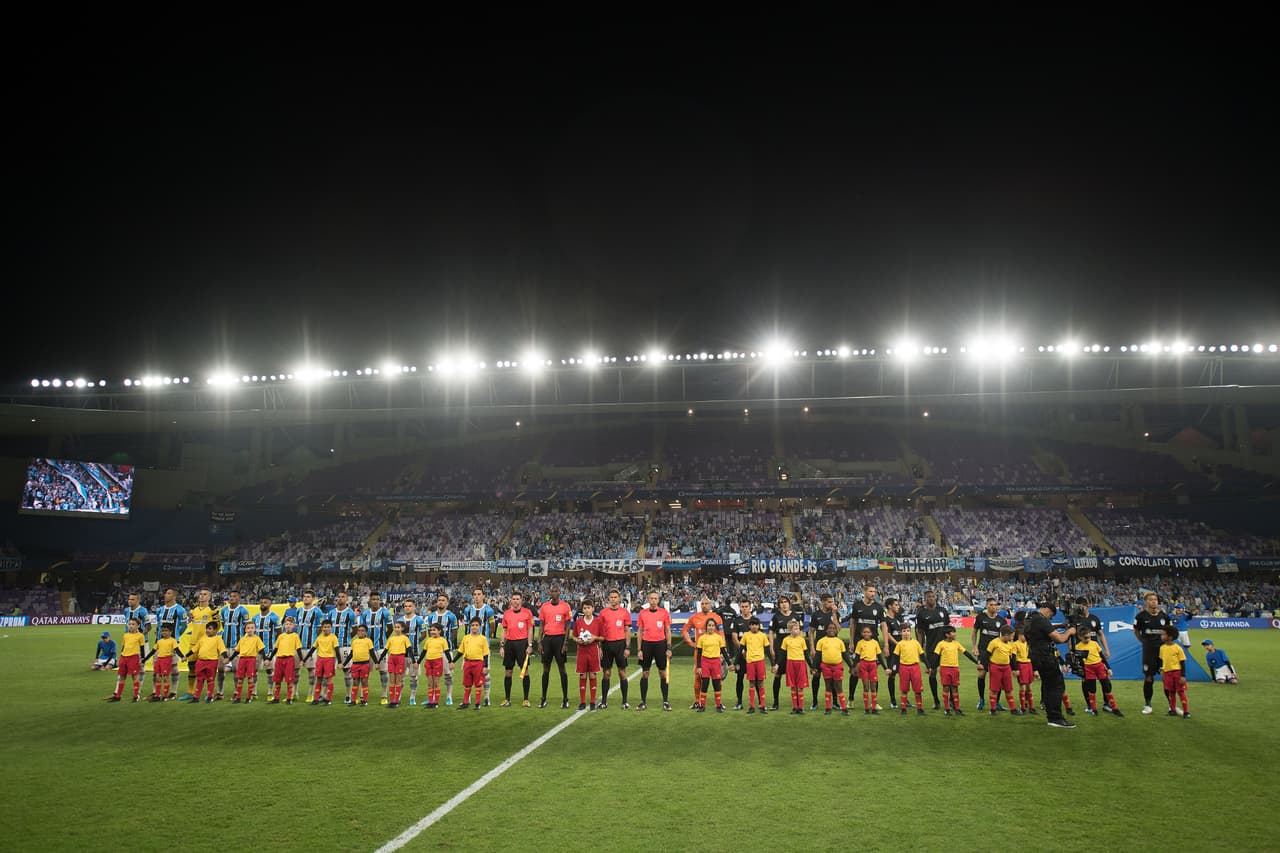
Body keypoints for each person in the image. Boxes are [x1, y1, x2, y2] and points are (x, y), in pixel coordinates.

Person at [1025, 599, 1077, 728]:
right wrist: (1070, 631)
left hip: (1036, 655)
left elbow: (1042, 630)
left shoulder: (1030, 618)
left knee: (1048, 686)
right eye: (1051, 616)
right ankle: (1055, 717)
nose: (1050, 619)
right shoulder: (1041, 619)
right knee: (1056, 686)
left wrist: (1058, 627)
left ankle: (1051, 716)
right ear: (1048, 610)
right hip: (1045, 656)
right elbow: (1060, 639)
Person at [1133, 592, 1174, 715]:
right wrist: (1144, 641)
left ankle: (1171, 705)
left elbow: (1171, 631)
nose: (1154, 602)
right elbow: (1135, 630)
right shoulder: (1140, 617)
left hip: (1163, 652)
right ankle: (1147, 704)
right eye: (1151, 600)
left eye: (1155, 599)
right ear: (1146, 602)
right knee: (1149, 678)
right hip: (1149, 652)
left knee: (1166, 678)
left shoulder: (1165, 617)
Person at [536, 586, 573, 709]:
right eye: (552, 591)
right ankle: (543, 698)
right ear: (550, 593)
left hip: (560, 639)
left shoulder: (565, 606)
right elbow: (541, 625)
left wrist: (566, 643)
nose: (554, 593)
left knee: (562, 669)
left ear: (560, 593)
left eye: (556, 591)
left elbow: (568, 626)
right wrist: (539, 642)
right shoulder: (544, 607)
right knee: (545, 669)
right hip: (547, 639)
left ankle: (565, 698)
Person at [681, 597, 721, 710]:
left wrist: (723, 650)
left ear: (710, 605)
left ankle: (718, 703)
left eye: (706, 603)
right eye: (702, 603)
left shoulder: (717, 618)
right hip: (699, 652)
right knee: (698, 676)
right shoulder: (694, 617)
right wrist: (691, 643)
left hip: (714, 652)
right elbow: (684, 630)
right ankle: (697, 701)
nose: (704, 605)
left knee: (717, 678)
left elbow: (721, 635)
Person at [636, 590, 673, 711]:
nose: (653, 601)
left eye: (655, 599)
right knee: (645, 673)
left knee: (662, 673)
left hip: (660, 645)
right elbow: (640, 632)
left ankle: (666, 701)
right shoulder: (642, 613)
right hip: (646, 645)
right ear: (648, 599)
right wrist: (639, 649)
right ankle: (643, 702)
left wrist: (668, 647)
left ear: (658, 600)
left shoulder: (664, 613)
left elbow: (667, 631)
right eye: (651, 598)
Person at [849, 586, 885, 709]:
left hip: (872, 645)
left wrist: (885, 644)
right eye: (870, 591)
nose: (873, 593)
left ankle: (874, 701)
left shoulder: (878, 607)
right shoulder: (857, 606)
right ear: (864, 592)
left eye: (874, 591)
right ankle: (851, 699)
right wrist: (852, 642)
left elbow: (883, 625)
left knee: (873, 673)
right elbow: (853, 623)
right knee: (855, 671)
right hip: (859, 642)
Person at [915, 589, 951, 711]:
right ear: (925, 599)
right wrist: (920, 647)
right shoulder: (921, 614)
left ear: (936, 597)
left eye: (932, 596)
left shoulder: (943, 611)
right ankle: (936, 700)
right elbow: (920, 632)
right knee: (932, 672)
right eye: (928, 597)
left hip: (946, 648)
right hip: (931, 648)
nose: (931, 598)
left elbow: (948, 628)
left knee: (947, 672)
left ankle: (950, 700)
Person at [596, 588, 632, 710]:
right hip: (606, 644)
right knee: (606, 673)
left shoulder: (624, 613)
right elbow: (599, 630)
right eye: (611, 597)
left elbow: (627, 631)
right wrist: (600, 646)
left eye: (615, 597)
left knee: (622, 672)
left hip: (620, 644)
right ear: (608, 599)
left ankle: (625, 701)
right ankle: (604, 702)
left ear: (619, 598)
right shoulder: (603, 613)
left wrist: (627, 647)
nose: (613, 599)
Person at [1075, 626, 1122, 716]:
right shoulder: (1078, 647)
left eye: (1089, 637)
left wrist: (1108, 668)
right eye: (1085, 638)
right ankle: (1094, 709)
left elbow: (1102, 656)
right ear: (1080, 637)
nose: (1088, 639)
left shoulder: (1094, 643)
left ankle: (1115, 708)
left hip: (1100, 667)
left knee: (1107, 687)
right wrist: (1083, 675)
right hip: (1088, 669)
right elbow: (1080, 662)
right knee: (1092, 690)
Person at [462, 588, 497, 707]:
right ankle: (469, 699)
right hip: (469, 646)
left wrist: (486, 638)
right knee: (468, 673)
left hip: (483, 646)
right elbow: (467, 627)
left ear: (483, 596)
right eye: (475, 594)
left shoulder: (488, 610)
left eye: (479, 594)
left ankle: (486, 697)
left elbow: (492, 626)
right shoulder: (468, 610)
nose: (477, 597)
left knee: (485, 672)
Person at [933, 626, 979, 717]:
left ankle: (957, 709)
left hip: (955, 669)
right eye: (953, 632)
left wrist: (976, 662)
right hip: (945, 668)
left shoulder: (956, 643)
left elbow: (966, 653)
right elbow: (935, 656)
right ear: (947, 635)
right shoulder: (941, 644)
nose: (955, 634)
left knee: (955, 688)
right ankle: (947, 709)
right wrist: (932, 667)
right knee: (946, 688)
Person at [499, 591, 534, 707]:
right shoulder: (507, 614)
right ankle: (507, 699)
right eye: (513, 599)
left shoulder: (527, 613)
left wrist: (530, 645)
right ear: (511, 601)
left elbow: (530, 630)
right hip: (509, 644)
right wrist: (502, 645)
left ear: (521, 600)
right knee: (508, 672)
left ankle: (526, 699)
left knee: (524, 671)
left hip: (522, 644)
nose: (515, 601)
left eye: (517, 599)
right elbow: (504, 630)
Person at [971, 598, 1007, 711]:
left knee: (998, 677)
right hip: (983, 651)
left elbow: (1005, 638)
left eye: (995, 605)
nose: (993, 607)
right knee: (982, 673)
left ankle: (996, 702)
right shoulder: (981, 617)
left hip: (997, 652)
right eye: (990, 605)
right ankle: (981, 699)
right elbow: (974, 632)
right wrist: (974, 646)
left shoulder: (1001, 621)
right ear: (986, 606)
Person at [182, 587, 218, 701]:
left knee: (207, 670)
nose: (202, 596)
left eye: (205, 594)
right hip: (193, 642)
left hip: (206, 644)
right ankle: (190, 691)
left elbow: (218, 625)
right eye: (201, 594)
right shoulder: (193, 610)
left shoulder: (213, 610)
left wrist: (211, 638)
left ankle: (209, 693)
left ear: (210, 597)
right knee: (192, 667)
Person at [424, 593, 460, 706]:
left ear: (447, 603)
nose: (441, 602)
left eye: (443, 600)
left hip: (446, 649)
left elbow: (455, 631)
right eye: (439, 600)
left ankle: (449, 696)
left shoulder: (452, 616)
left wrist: (449, 644)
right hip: (433, 651)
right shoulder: (431, 616)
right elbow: (430, 632)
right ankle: (432, 697)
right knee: (432, 676)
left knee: (448, 674)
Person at [360, 592, 394, 704]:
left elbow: (390, 628)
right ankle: (362, 695)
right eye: (373, 599)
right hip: (367, 649)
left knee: (383, 672)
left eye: (377, 599)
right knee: (365, 673)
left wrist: (384, 638)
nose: (375, 601)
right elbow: (362, 630)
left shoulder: (385, 612)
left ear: (380, 600)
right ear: (370, 600)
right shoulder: (365, 614)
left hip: (381, 648)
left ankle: (384, 695)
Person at [808, 593, 840, 710]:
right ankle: (815, 701)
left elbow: (838, 629)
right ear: (823, 602)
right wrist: (812, 647)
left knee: (833, 678)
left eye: (832, 601)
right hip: (818, 650)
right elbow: (811, 632)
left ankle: (835, 702)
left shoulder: (835, 614)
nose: (832, 604)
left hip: (832, 650)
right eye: (830, 602)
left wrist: (835, 614)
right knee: (816, 675)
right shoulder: (816, 615)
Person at [154, 588, 188, 700]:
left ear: (174, 596)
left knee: (173, 668)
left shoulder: (180, 610)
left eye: (168, 593)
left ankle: (173, 691)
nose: (165, 595)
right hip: (159, 643)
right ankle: (156, 692)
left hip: (172, 643)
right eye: (165, 593)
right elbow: (158, 625)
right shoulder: (160, 610)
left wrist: (176, 636)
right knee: (157, 669)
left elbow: (183, 626)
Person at [571, 599, 605, 710]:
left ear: (593, 609)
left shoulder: (598, 621)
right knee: (582, 675)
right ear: (582, 609)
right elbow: (574, 636)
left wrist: (594, 638)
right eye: (584, 608)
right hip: (582, 651)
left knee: (592, 675)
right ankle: (582, 702)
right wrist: (577, 640)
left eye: (588, 608)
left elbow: (603, 637)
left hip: (593, 650)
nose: (586, 610)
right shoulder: (579, 622)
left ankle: (592, 701)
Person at [216, 589, 249, 701]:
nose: (232, 598)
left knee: (236, 670)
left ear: (239, 598)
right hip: (224, 645)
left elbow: (246, 628)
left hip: (237, 646)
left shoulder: (243, 611)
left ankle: (236, 692)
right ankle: (220, 692)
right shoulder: (224, 610)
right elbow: (223, 625)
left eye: (234, 596)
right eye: (230, 596)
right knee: (220, 670)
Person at [769, 594, 799, 710]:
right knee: (778, 675)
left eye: (785, 602)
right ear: (779, 605)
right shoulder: (776, 617)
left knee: (795, 677)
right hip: (780, 650)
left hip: (793, 650)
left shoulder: (795, 616)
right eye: (781, 602)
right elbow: (771, 632)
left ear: (789, 603)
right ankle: (775, 703)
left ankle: (796, 703)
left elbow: (799, 632)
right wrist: (771, 646)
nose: (784, 604)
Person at [295, 590, 326, 703]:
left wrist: (313, 641)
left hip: (310, 646)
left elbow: (319, 629)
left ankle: (311, 693)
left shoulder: (317, 612)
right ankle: (295, 692)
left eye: (308, 597)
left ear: (313, 599)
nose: (305, 598)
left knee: (311, 671)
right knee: (295, 670)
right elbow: (297, 626)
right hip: (298, 646)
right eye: (304, 596)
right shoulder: (299, 611)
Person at [104, 618, 145, 702]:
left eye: (133, 624)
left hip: (133, 657)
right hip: (124, 657)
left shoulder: (140, 636)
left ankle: (136, 696)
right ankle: (118, 696)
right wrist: (121, 657)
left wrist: (142, 660)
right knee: (122, 676)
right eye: (129, 624)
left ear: (138, 625)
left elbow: (142, 649)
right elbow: (123, 647)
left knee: (134, 676)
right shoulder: (125, 635)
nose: (131, 626)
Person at [815, 621, 850, 716]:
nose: (831, 630)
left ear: (836, 630)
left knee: (839, 686)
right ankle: (828, 708)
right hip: (825, 666)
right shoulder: (821, 641)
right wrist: (815, 668)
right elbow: (818, 656)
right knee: (828, 686)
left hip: (838, 665)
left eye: (833, 628)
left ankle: (844, 708)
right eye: (829, 628)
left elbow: (845, 655)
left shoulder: (839, 641)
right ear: (826, 630)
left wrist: (851, 666)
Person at [983, 625, 1019, 715]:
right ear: (1006, 635)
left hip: (1006, 668)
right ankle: (993, 709)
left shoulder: (1011, 645)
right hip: (995, 667)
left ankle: (1013, 709)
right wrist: (984, 666)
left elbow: (1011, 658)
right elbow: (987, 655)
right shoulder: (994, 643)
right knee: (994, 689)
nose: (1013, 638)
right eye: (1012, 636)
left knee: (1009, 689)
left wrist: (1014, 669)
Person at [740, 616, 773, 714]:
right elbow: (741, 649)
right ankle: (751, 706)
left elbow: (767, 651)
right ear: (749, 626)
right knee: (751, 684)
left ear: (759, 626)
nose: (754, 626)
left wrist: (773, 663)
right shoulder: (746, 635)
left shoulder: (762, 635)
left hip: (760, 662)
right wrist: (735, 662)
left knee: (761, 683)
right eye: (752, 624)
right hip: (750, 662)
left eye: (756, 624)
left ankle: (762, 706)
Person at [892, 623, 927, 716]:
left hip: (915, 667)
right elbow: (895, 657)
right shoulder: (899, 644)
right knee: (904, 689)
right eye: (904, 631)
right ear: (901, 633)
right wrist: (892, 667)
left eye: (907, 631)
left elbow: (922, 655)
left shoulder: (916, 643)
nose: (906, 633)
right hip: (904, 668)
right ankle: (903, 708)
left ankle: (920, 708)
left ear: (910, 632)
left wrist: (928, 666)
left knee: (918, 689)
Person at [330, 591, 358, 705]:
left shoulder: (350, 613)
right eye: (339, 597)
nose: (340, 599)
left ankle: (348, 695)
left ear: (346, 599)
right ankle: (325, 695)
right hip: (331, 647)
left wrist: (347, 637)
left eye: (343, 597)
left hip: (345, 646)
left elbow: (355, 629)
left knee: (347, 671)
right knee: (328, 672)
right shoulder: (331, 613)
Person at [694, 617, 728, 712]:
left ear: (715, 627)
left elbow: (723, 651)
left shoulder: (718, 637)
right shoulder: (702, 638)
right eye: (709, 625)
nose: (711, 627)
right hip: (705, 662)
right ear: (706, 627)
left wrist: (729, 663)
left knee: (716, 684)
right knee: (705, 684)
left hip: (716, 662)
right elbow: (699, 653)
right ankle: (702, 706)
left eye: (713, 625)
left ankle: (718, 706)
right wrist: (699, 666)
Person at [776, 619, 809, 714]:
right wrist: (777, 664)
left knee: (800, 686)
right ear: (790, 630)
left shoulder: (802, 640)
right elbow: (782, 654)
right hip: (790, 663)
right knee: (793, 686)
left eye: (798, 628)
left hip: (801, 663)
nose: (797, 630)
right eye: (795, 628)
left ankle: (801, 707)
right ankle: (795, 707)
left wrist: (812, 666)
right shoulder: (786, 640)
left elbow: (806, 654)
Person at [268, 617, 303, 704]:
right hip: (279, 659)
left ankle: (289, 698)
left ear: (294, 626)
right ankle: (276, 698)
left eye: (290, 624)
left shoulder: (295, 636)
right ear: (284, 626)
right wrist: (269, 658)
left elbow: (298, 649)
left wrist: (302, 660)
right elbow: (276, 648)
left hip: (289, 660)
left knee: (289, 680)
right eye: (286, 624)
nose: (288, 626)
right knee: (277, 680)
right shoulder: (281, 636)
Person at [190, 622, 228, 703]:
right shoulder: (202, 638)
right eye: (207, 628)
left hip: (212, 662)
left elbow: (222, 649)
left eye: (210, 629)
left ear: (215, 630)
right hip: (200, 661)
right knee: (200, 679)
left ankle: (210, 696)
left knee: (210, 680)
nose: (207, 630)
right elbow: (195, 648)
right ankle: (196, 697)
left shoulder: (218, 639)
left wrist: (226, 657)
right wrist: (186, 656)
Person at [251, 597, 281, 700]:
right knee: (254, 671)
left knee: (269, 671)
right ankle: (253, 692)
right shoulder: (255, 618)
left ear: (270, 604)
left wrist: (275, 647)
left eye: (266, 602)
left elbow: (279, 634)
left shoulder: (274, 617)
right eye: (262, 602)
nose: (263, 604)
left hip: (269, 649)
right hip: (256, 650)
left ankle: (270, 692)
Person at [458, 618, 491, 710]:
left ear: (480, 627)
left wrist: (485, 666)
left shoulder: (483, 639)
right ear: (470, 626)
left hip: (478, 664)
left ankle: (477, 703)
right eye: (472, 625)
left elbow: (486, 654)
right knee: (467, 684)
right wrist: (452, 661)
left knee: (478, 684)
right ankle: (465, 702)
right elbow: (461, 651)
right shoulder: (466, 638)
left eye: (476, 625)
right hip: (468, 662)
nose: (474, 627)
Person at [1159, 626, 1191, 718]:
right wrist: (1161, 669)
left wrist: (1183, 676)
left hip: (1177, 672)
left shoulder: (1178, 648)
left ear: (1170, 636)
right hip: (1167, 673)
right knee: (1171, 692)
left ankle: (1186, 711)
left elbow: (1182, 662)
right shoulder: (1162, 648)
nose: (1161, 636)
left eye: (1163, 634)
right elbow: (1162, 660)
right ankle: (1172, 710)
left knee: (1180, 692)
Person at [399, 599, 426, 705]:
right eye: (405, 606)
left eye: (410, 606)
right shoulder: (400, 620)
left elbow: (424, 634)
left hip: (414, 653)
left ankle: (412, 697)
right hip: (401, 653)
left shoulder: (419, 620)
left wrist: (416, 642)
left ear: (414, 607)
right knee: (400, 677)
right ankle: (398, 696)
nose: (407, 608)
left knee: (413, 677)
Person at [853, 625, 885, 715]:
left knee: (873, 687)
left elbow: (879, 656)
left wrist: (885, 667)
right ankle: (866, 708)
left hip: (873, 665)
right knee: (866, 687)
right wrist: (853, 666)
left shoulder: (875, 643)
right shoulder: (860, 643)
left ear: (871, 633)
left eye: (868, 632)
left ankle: (874, 708)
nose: (866, 633)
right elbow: (857, 657)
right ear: (862, 634)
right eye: (864, 632)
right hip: (863, 664)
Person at [231, 621, 265, 704]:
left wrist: (266, 659)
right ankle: (238, 697)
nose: (250, 630)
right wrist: (230, 658)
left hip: (251, 660)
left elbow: (261, 650)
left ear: (255, 629)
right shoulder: (242, 639)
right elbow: (237, 651)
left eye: (252, 628)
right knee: (240, 678)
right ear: (245, 630)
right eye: (248, 628)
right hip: (242, 659)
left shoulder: (257, 639)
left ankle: (248, 697)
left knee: (250, 678)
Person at [729, 598, 753, 710]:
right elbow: (734, 638)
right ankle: (739, 702)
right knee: (740, 678)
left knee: (755, 680)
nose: (744, 609)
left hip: (753, 655)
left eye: (746, 606)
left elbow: (759, 638)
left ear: (750, 607)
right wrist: (743, 650)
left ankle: (757, 703)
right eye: (742, 607)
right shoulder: (736, 621)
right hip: (741, 656)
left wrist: (750, 651)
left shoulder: (755, 621)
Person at [311, 619, 341, 705]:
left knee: (329, 680)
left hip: (329, 660)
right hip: (320, 660)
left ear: (331, 628)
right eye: (324, 627)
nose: (326, 628)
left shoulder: (333, 637)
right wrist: (304, 659)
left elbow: (337, 649)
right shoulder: (319, 637)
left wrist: (339, 662)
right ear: (322, 628)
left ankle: (328, 699)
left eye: (328, 627)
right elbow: (313, 648)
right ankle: (316, 699)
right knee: (319, 679)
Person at [882, 597, 905, 709]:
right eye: (896, 605)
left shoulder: (897, 619)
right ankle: (893, 700)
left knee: (902, 673)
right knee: (892, 674)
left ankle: (904, 698)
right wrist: (898, 644)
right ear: (890, 606)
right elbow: (888, 634)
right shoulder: (885, 620)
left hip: (900, 649)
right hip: (892, 650)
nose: (898, 606)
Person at [421, 623, 451, 709]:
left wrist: (450, 662)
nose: (432, 632)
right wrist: (418, 662)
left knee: (436, 682)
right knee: (430, 683)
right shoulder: (428, 640)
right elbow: (424, 652)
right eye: (431, 630)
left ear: (439, 631)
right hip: (428, 662)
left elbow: (447, 652)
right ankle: (431, 702)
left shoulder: (442, 640)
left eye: (434, 630)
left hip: (437, 662)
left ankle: (436, 702)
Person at [384, 620, 412, 708]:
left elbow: (409, 649)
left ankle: (396, 700)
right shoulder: (391, 639)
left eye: (398, 627)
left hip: (400, 658)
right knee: (392, 681)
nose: (396, 629)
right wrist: (378, 661)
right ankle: (392, 701)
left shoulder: (405, 638)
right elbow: (385, 650)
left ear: (402, 628)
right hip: (391, 658)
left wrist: (414, 661)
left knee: (398, 680)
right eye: (395, 627)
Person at [149, 625, 178, 701]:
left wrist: (183, 656)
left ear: (170, 632)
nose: (164, 632)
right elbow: (153, 651)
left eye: (166, 631)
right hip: (159, 660)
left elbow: (177, 649)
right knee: (158, 678)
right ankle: (157, 696)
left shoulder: (173, 640)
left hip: (166, 660)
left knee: (165, 678)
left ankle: (165, 696)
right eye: (162, 631)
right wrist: (144, 659)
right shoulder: (159, 641)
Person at [1012, 622, 1036, 715]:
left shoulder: (1028, 643)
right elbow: (1013, 657)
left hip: (1029, 665)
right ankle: (1022, 708)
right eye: (1025, 635)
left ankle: (1032, 707)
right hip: (1021, 665)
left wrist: (1034, 669)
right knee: (1022, 687)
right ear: (1020, 635)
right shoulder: (1015, 644)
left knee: (1029, 687)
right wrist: (1015, 669)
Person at [349, 624, 375, 706]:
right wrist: (343, 663)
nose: (360, 632)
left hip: (365, 664)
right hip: (355, 664)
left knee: (364, 682)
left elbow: (372, 653)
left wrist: (377, 662)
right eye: (359, 630)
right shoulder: (354, 641)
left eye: (362, 630)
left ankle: (364, 700)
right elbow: (351, 654)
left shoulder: (368, 641)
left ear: (366, 632)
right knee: (355, 682)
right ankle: (353, 700)